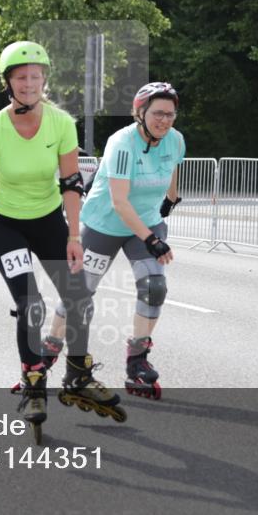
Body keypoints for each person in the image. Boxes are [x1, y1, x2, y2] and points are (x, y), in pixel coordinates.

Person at [0, 41, 124, 440]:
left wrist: (74, 235)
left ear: (45, 80)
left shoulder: (61, 123)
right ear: (9, 84)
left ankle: (78, 372)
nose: (29, 83)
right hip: (6, 224)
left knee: (78, 295)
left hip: (47, 221)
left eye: (36, 77)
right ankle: (32, 383)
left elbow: (70, 183)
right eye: (21, 77)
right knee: (31, 304)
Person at [46, 82, 185, 400]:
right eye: (157, 113)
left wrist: (170, 200)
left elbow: (171, 169)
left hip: (146, 220)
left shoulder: (175, 140)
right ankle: (50, 349)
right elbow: (120, 202)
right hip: (105, 223)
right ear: (140, 113)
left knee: (154, 288)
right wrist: (152, 240)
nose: (164, 120)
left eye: (170, 114)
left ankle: (137, 361)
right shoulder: (122, 143)